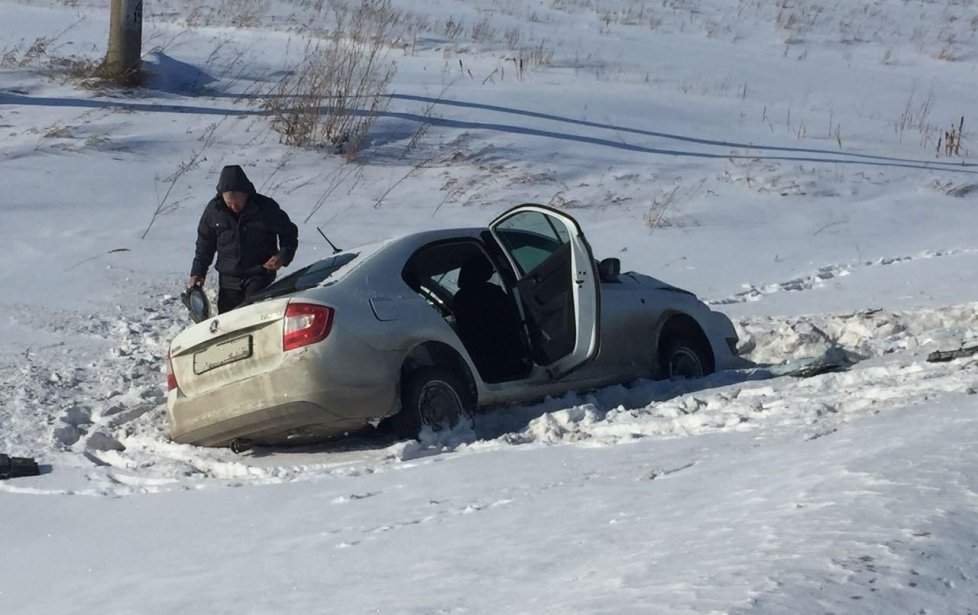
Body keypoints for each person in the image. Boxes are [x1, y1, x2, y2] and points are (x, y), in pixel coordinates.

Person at [188, 165, 299, 313]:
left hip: (259, 274)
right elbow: (204, 245)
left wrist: (282, 256)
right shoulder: (214, 211)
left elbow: (289, 234)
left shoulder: (265, 208)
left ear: (246, 194)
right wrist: (198, 272)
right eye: (229, 203)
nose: (233, 207)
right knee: (228, 322)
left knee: (253, 316)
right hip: (228, 279)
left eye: (237, 203)